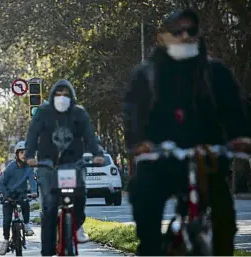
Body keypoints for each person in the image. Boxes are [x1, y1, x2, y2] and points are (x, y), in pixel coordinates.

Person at [122, 9, 251, 256]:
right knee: (145, 204)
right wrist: (139, 143)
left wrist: (241, 138)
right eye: (177, 31)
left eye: (190, 31)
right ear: (163, 37)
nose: (184, 36)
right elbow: (133, 115)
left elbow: (235, 112)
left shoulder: (216, 73)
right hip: (160, 164)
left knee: (225, 218)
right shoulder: (146, 75)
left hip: (207, 163)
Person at [25, 79, 104, 256]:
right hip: (47, 165)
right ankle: (47, 250)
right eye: (58, 94)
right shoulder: (43, 112)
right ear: (53, 96)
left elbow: (90, 135)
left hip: (73, 164)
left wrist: (97, 153)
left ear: (72, 97)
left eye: (66, 94)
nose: (62, 98)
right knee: (49, 206)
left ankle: (77, 227)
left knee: (80, 195)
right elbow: (32, 134)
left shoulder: (79, 113)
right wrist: (30, 156)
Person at [0, 141, 37, 255]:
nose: (24, 155)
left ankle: (26, 224)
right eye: (21, 152)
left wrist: (34, 192)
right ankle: (6, 240)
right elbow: (2, 182)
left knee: (25, 204)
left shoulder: (29, 168)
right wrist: (5, 195)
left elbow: (32, 180)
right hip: (8, 195)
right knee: (6, 221)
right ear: (17, 154)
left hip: (21, 194)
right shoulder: (11, 167)